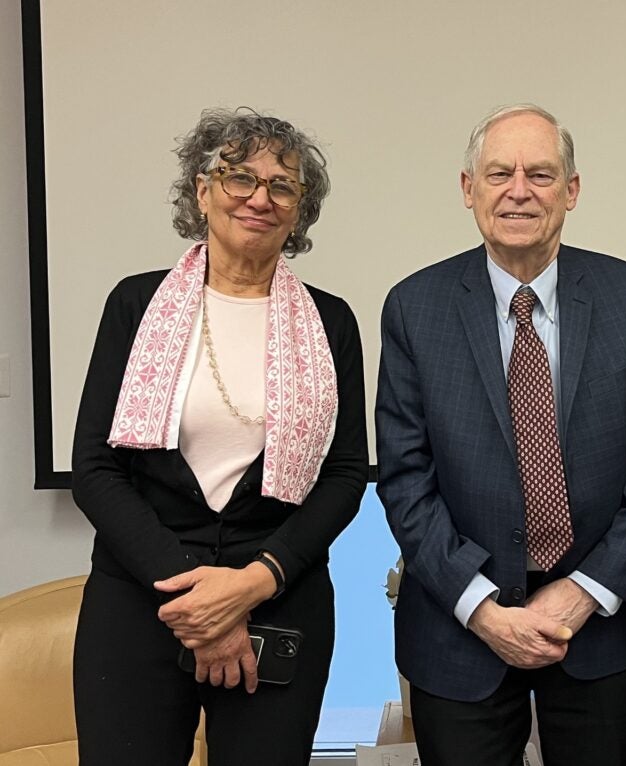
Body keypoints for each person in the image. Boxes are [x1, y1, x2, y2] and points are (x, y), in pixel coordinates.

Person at [374, 103, 626, 766]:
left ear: (571, 191)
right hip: (459, 633)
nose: (519, 190)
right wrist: (482, 607)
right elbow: (406, 479)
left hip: (599, 629)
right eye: (499, 173)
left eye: (541, 174)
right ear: (469, 189)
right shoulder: (415, 307)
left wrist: (584, 593)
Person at [71, 107, 368, 766]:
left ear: (299, 210)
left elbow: (347, 474)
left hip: (280, 597)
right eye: (239, 178)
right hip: (139, 601)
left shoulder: (331, 323)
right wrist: (197, 599)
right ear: (202, 192)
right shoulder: (135, 305)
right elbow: (94, 467)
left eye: (282, 185)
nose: (259, 198)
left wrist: (253, 584)